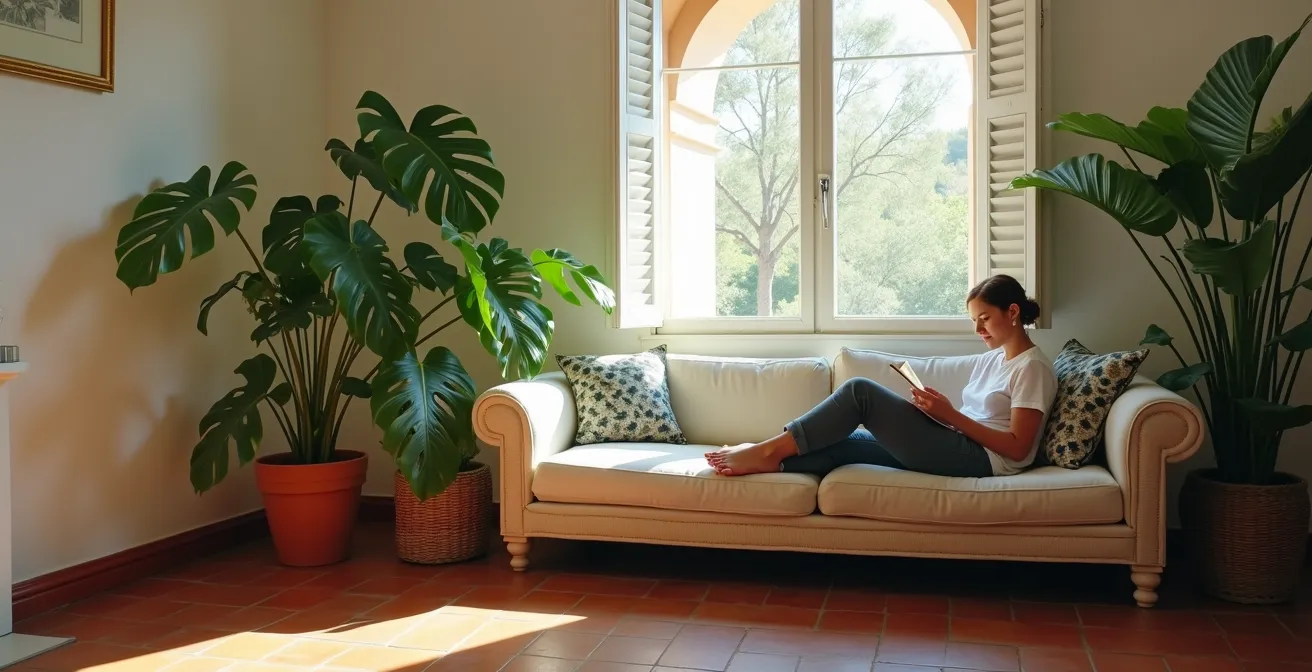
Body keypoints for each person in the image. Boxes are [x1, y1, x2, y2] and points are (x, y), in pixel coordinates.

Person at [705, 274, 1058, 479]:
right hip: (958, 442)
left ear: (1012, 312)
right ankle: (766, 461)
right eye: (973, 320)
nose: (978, 329)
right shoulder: (993, 359)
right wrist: (936, 415)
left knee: (860, 392)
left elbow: (1018, 447)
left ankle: (765, 451)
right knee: (844, 443)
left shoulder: (1032, 367)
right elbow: (976, 419)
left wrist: (950, 416)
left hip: (983, 461)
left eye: (984, 318)